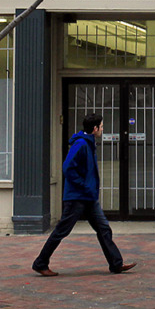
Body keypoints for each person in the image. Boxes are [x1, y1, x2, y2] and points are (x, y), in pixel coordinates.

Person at [32, 113, 137, 277]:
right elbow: (67, 167)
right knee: (62, 231)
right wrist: (83, 185)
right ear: (95, 129)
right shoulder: (81, 144)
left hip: (88, 198)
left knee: (103, 229)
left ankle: (116, 264)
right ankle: (40, 263)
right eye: (101, 127)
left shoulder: (88, 143)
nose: (102, 129)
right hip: (77, 198)